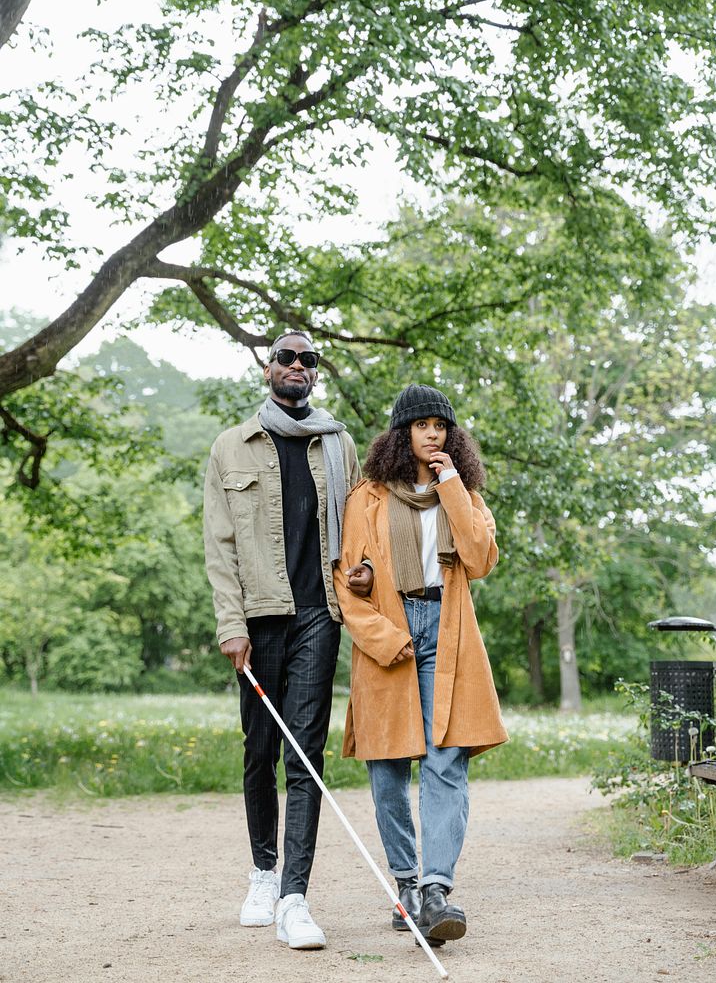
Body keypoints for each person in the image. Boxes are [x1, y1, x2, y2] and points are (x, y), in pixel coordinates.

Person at [203, 330, 371, 951]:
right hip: (258, 617)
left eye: (308, 360)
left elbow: (359, 530)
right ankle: (262, 873)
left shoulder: (339, 445)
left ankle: (295, 898)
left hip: (318, 617)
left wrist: (364, 575)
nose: (297, 366)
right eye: (287, 357)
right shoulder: (232, 446)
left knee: (305, 755)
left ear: (315, 374)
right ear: (268, 368)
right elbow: (220, 548)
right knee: (259, 750)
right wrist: (231, 625)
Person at [334, 383, 507, 947]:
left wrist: (451, 481)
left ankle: (436, 890)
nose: (433, 433)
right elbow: (346, 580)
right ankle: (406, 884)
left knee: (445, 761)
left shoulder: (466, 494)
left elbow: (479, 559)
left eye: (442, 425)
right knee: (387, 770)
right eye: (422, 424)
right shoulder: (367, 498)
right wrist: (384, 636)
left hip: (448, 632)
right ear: (401, 432)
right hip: (391, 632)